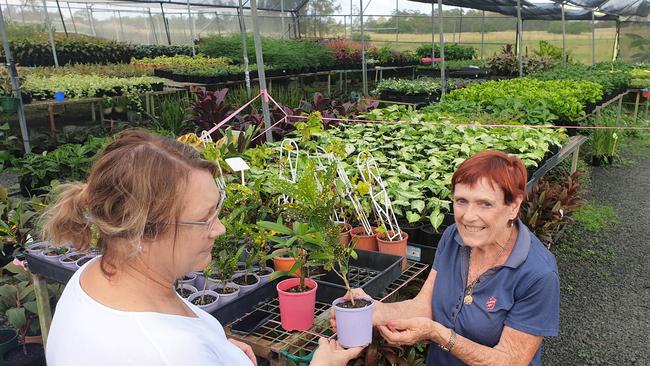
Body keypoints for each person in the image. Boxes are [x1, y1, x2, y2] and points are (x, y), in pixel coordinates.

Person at [43, 130, 362, 366]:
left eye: (217, 210)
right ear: (143, 233)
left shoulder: (92, 278)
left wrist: (218, 349)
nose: (220, 228)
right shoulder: (169, 354)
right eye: (203, 219)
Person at [331, 150, 560, 365]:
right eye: (461, 201)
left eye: (485, 204)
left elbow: (510, 360)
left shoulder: (537, 273)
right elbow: (425, 305)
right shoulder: (453, 238)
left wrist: (438, 334)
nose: (469, 217)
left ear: (513, 206)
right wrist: (373, 311)